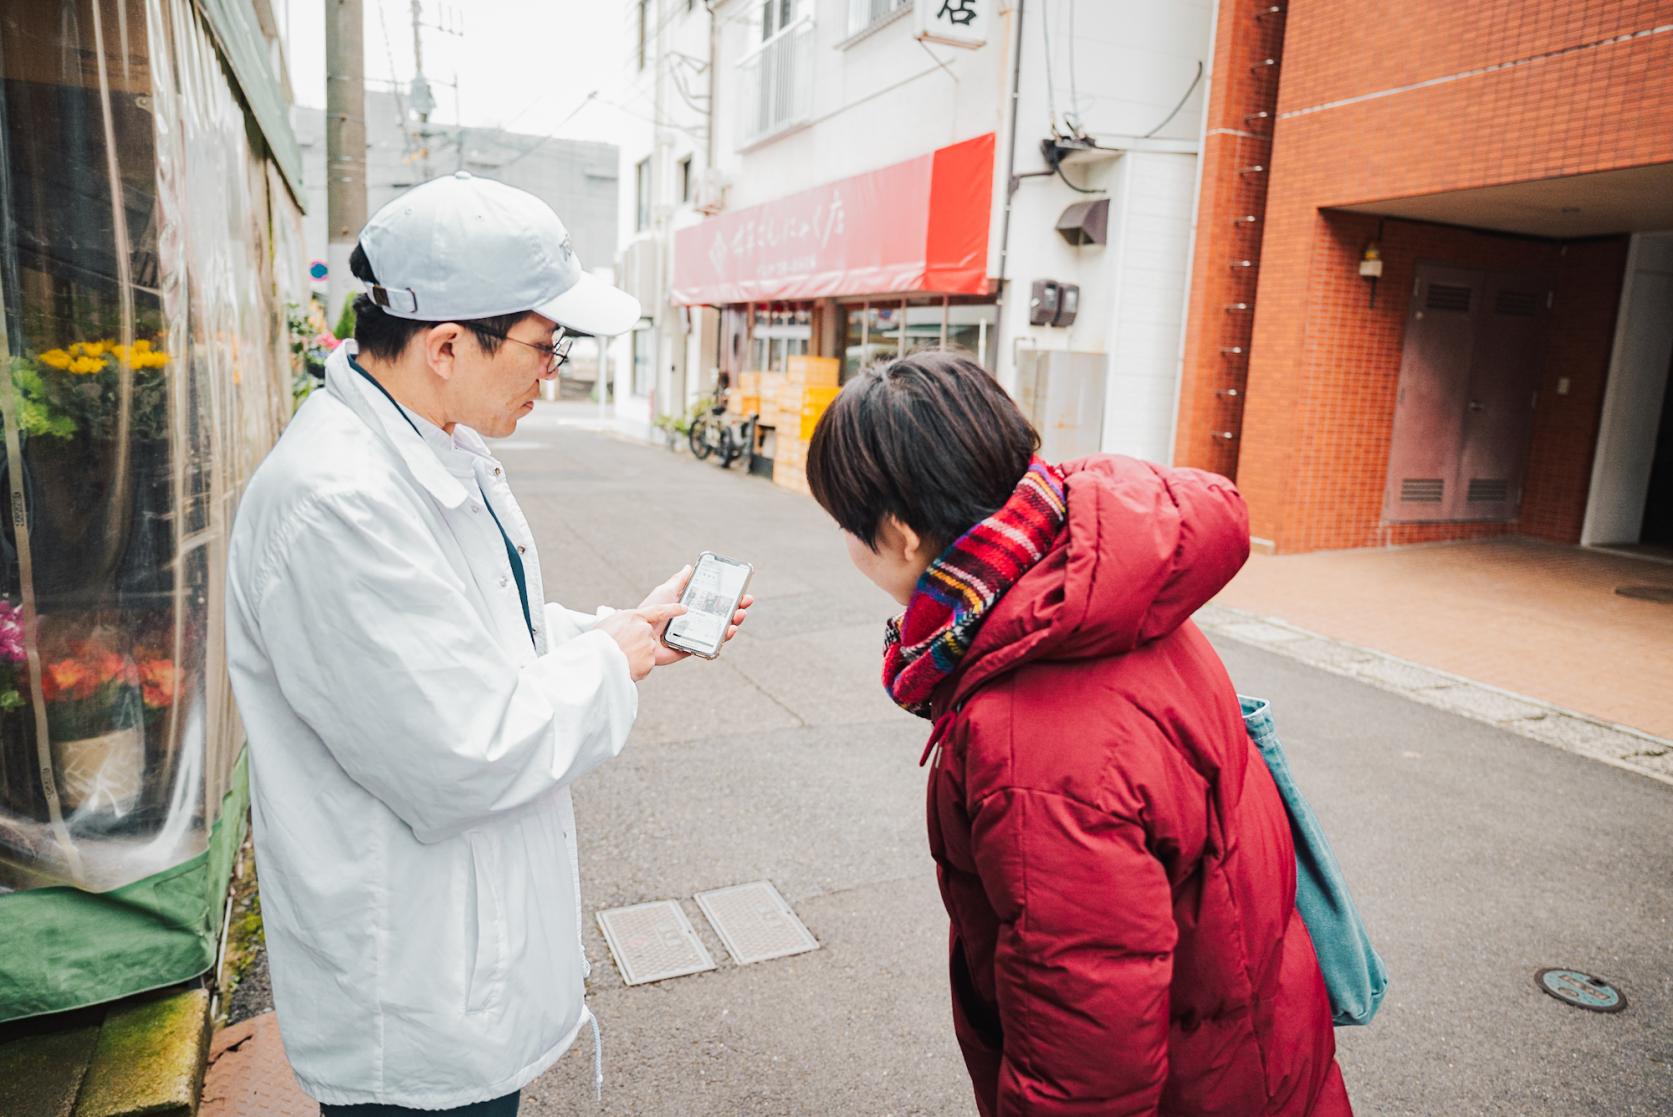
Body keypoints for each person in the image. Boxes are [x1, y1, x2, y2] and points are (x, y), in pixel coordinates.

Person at [225, 172, 750, 1116]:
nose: (552, 375)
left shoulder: (424, 445)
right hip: (411, 991)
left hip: (454, 959)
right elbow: (462, 748)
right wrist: (613, 658)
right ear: (447, 345)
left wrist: (619, 628)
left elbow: (474, 632)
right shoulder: (338, 502)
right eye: (546, 349)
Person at [806, 351, 1351, 1116]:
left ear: (898, 534)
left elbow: (1084, 1053)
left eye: (846, 526)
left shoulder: (1027, 740)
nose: (848, 547)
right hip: (1259, 1048)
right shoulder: (1100, 585)